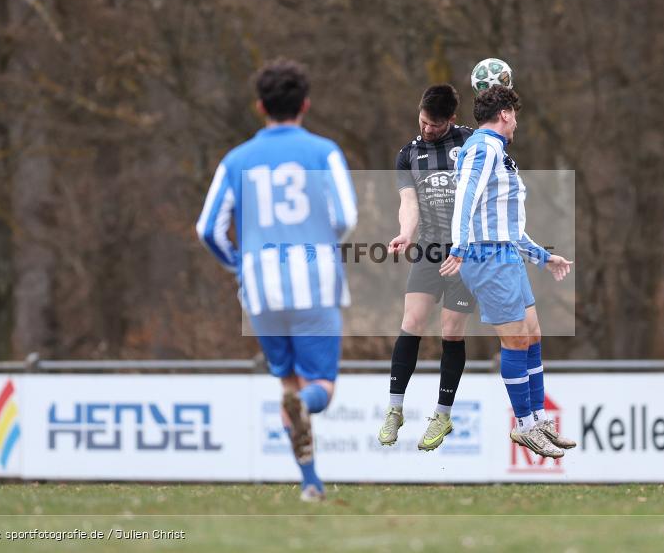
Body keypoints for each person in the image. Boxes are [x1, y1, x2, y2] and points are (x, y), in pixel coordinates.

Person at [196, 59, 357, 501]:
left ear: (259, 106)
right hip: (315, 281)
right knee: (318, 386)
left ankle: (310, 481)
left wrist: (237, 264)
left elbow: (207, 229)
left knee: (287, 382)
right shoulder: (323, 151)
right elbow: (345, 216)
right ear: (305, 104)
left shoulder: (235, 160)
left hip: (260, 288)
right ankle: (304, 411)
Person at [439, 85, 576, 458]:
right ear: (504, 115)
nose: (517, 122)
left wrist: (543, 257)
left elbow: (510, 227)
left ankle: (537, 418)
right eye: (514, 115)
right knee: (515, 340)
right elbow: (465, 197)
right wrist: (461, 247)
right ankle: (525, 426)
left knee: (532, 335)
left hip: (505, 254)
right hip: (486, 258)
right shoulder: (483, 148)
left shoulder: (497, 151)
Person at [377, 85, 477, 451]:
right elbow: (409, 202)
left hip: (466, 253)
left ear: (451, 120)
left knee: (451, 332)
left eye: (435, 125)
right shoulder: (408, 155)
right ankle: (394, 409)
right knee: (412, 322)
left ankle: (443, 414)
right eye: (423, 122)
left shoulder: (469, 142)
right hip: (429, 249)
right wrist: (405, 233)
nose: (427, 129)